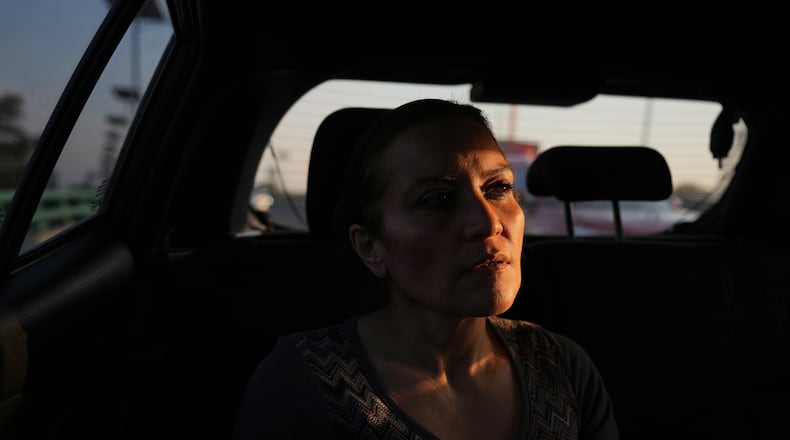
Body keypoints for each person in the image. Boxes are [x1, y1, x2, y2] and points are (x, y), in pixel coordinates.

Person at [234, 98, 619, 439]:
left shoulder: (561, 366)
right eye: (438, 199)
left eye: (498, 188)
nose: (488, 223)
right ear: (370, 246)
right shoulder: (303, 382)